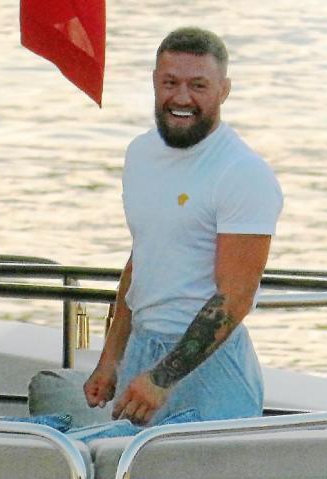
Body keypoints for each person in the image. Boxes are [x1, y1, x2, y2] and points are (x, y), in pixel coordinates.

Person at [82, 27, 283, 431]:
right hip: (142, 351)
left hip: (210, 366)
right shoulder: (139, 154)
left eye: (198, 85)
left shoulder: (242, 172)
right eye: (170, 83)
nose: (182, 98)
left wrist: (162, 378)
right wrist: (111, 358)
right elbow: (143, 260)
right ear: (154, 82)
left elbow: (235, 297)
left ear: (224, 90)